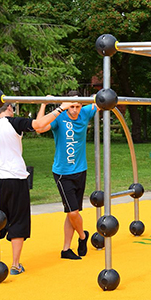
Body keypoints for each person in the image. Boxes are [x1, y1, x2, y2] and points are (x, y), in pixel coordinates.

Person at [0, 100, 72, 275]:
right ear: (9, 108)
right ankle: (15, 264)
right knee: (18, 221)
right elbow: (39, 124)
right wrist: (60, 108)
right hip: (15, 178)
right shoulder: (14, 123)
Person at [39, 92, 98, 260]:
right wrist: (44, 104)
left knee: (72, 211)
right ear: (66, 106)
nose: (75, 110)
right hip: (62, 173)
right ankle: (82, 236)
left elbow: (101, 100)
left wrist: (96, 96)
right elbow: (39, 127)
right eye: (71, 106)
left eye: (78, 106)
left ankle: (66, 249)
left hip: (81, 170)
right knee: (73, 213)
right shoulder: (59, 117)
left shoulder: (85, 112)